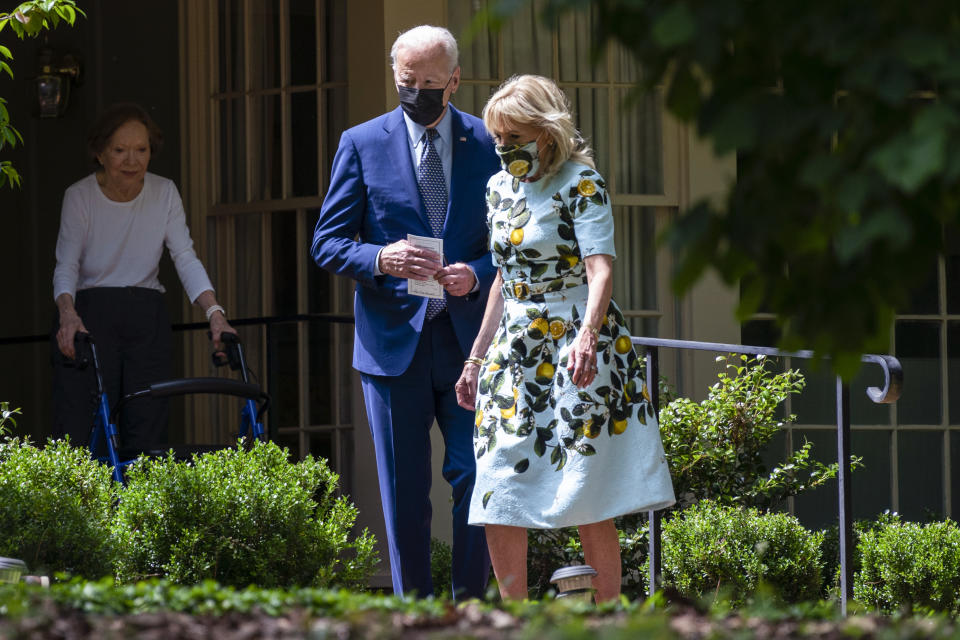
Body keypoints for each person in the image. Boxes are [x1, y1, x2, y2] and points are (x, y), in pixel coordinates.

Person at [455, 75, 676, 602]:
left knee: (585, 487)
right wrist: (475, 358)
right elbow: (505, 281)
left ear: (546, 133)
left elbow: (601, 270)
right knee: (497, 483)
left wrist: (587, 336)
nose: (505, 148)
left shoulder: (581, 182)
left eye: (515, 136)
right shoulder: (498, 188)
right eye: (498, 138)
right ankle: (516, 620)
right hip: (516, 351)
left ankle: (608, 619)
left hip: (579, 344)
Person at [310, 25, 499, 598]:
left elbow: (516, 244)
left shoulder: (489, 144)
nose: (416, 90)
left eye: (429, 82)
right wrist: (380, 257)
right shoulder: (362, 142)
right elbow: (327, 242)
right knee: (404, 491)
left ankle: (470, 611)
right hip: (394, 346)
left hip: (471, 344)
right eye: (405, 82)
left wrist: (480, 273)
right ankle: (413, 615)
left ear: (455, 81)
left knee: (477, 480)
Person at [52, 102, 235, 456]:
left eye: (141, 150)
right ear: (100, 153)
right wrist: (67, 312)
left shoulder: (164, 191)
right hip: (91, 313)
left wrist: (215, 312)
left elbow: (184, 256)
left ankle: (143, 509)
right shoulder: (79, 196)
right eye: (120, 151)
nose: (131, 161)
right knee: (85, 422)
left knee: (147, 421)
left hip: (146, 314)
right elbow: (66, 264)